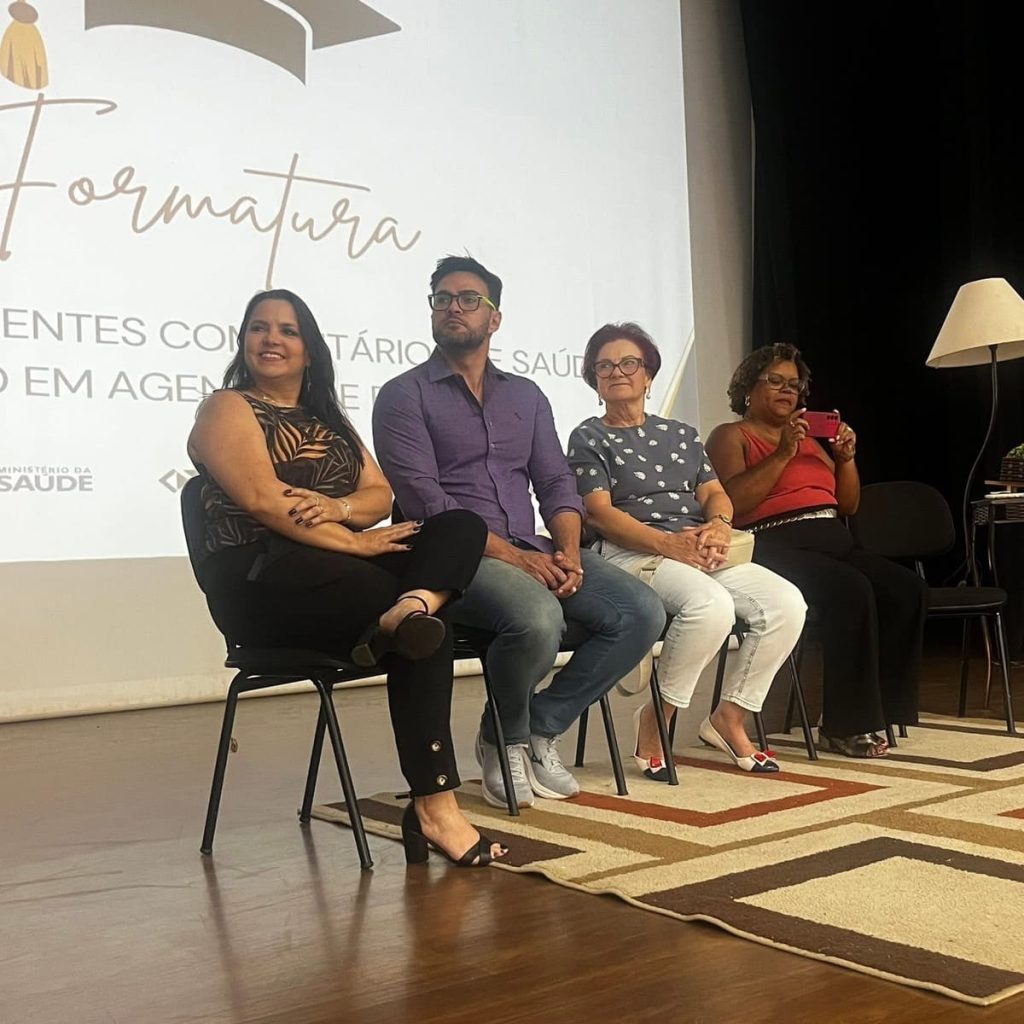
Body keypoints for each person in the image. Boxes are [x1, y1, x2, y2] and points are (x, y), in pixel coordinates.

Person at [187, 288, 503, 866]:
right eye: (259, 327)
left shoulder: (327, 420)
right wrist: (355, 541)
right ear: (243, 340)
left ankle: (407, 609)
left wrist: (339, 508)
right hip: (261, 579)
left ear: (309, 349)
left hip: (338, 575)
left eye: (287, 330)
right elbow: (264, 502)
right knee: (421, 626)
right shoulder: (227, 407)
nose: (271, 339)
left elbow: (380, 493)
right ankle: (436, 808)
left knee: (459, 528)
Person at [372, 257, 665, 809]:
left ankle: (535, 726)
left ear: (495, 318)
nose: (453, 307)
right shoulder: (403, 395)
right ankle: (505, 742)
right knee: (538, 617)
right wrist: (519, 559)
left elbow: (555, 481)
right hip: (451, 557)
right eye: (442, 298)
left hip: (533, 547)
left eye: (469, 299)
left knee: (642, 613)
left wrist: (569, 551)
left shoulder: (526, 396)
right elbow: (426, 501)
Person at [568, 323, 806, 778]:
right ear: (594, 380)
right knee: (710, 606)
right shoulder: (588, 437)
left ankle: (729, 717)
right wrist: (667, 543)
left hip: (695, 549)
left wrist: (718, 526)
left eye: (629, 363)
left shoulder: (680, 434)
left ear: (648, 375)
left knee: (786, 602)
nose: (617, 372)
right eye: (604, 366)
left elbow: (715, 494)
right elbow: (598, 513)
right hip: (633, 552)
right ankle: (657, 719)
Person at [705, 343, 927, 757]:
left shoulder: (810, 440)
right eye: (775, 381)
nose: (787, 391)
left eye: (794, 385)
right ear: (748, 389)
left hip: (831, 539)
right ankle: (844, 725)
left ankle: (883, 710)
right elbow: (733, 503)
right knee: (851, 590)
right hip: (773, 543)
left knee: (905, 589)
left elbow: (848, 504)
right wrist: (783, 453)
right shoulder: (730, 436)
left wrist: (845, 459)